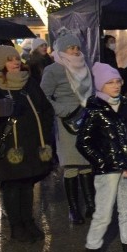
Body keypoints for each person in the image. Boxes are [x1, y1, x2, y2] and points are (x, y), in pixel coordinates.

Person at [77, 63, 127, 252]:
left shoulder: (125, 106)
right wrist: (102, 163)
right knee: (103, 213)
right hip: (108, 171)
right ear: (101, 85)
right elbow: (83, 142)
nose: (115, 85)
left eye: (117, 81)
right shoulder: (95, 110)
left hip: (126, 167)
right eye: (110, 82)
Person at [0, 45, 55, 243]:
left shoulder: (29, 82)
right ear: (1, 64)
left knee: (28, 183)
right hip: (11, 146)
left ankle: (28, 221)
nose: (15, 62)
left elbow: (46, 108)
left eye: (16, 58)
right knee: (13, 185)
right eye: (9, 59)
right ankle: (16, 226)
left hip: (32, 142)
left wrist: (43, 130)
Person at [40, 33, 95, 224]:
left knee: (87, 163)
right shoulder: (53, 70)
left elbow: (91, 91)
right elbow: (44, 97)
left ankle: (91, 205)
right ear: (62, 50)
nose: (76, 51)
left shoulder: (84, 67)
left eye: (77, 48)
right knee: (72, 164)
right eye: (71, 48)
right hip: (67, 121)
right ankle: (73, 209)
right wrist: (64, 110)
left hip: (86, 118)